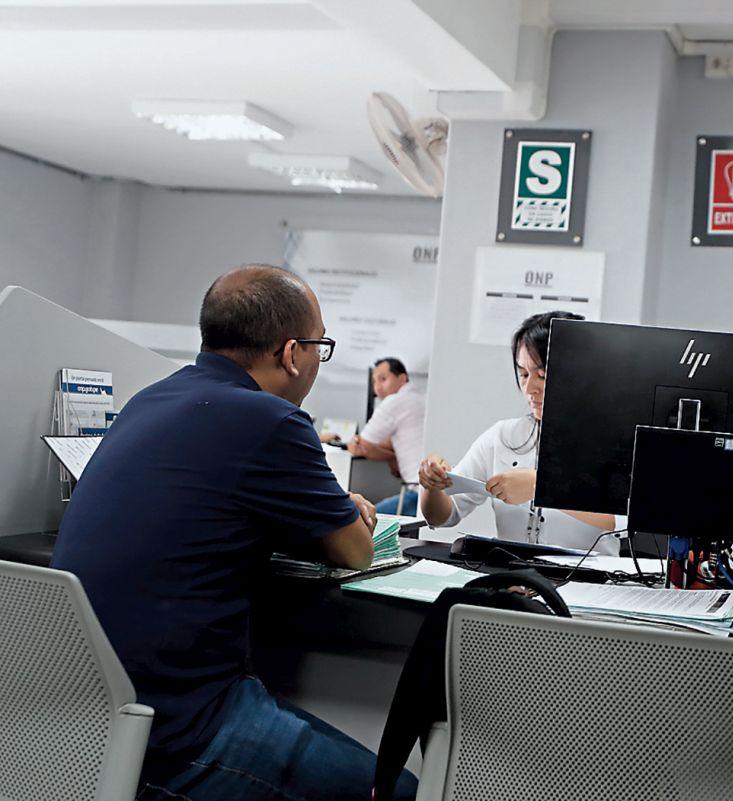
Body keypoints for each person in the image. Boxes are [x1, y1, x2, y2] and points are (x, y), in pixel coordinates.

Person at [52, 264, 417, 801]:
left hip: (82, 720)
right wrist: (337, 510)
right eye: (321, 347)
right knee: (396, 792)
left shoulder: (147, 399)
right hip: (182, 732)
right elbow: (356, 551)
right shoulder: (271, 419)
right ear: (293, 353)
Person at [418, 311, 620, 554]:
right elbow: (443, 517)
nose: (529, 388)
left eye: (542, 376)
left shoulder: (613, 441)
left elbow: (622, 521)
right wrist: (432, 485)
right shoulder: (503, 436)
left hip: (589, 586)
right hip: (516, 582)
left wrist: (540, 486)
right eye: (524, 374)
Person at [344, 357, 425, 517]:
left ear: (402, 379)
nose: (377, 388)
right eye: (374, 381)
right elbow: (395, 440)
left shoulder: (394, 401)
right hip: (431, 491)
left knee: (362, 519)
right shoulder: (420, 399)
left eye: (383, 379)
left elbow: (362, 446)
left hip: (416, 493)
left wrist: (391, 457)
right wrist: (392, 457)